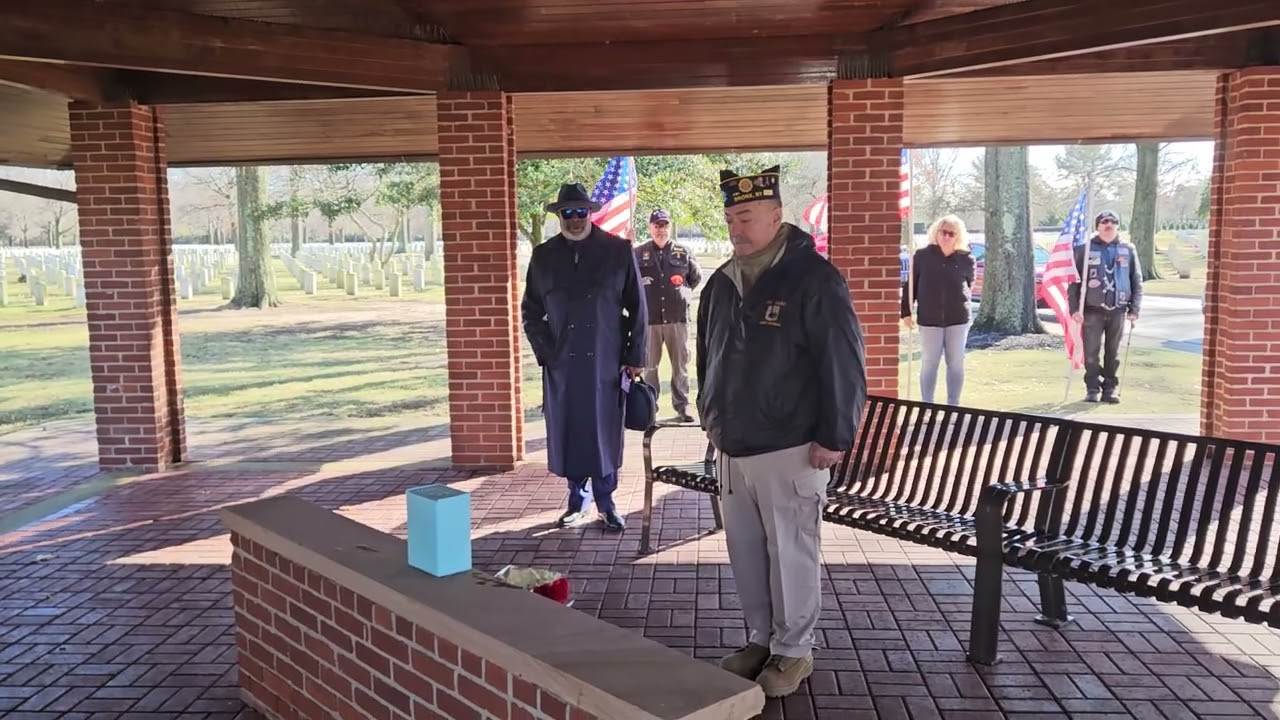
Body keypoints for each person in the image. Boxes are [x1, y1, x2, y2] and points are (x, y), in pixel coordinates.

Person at [696, 165, 866, 698]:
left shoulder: (813, 279)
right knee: (747, 552)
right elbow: (707, 357)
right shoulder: (722, 283)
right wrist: (709, 414)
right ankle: (760, 640)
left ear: (776, 216)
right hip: (733, 445)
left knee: (791, 552)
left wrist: (835, 435)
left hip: (791, 444)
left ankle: (794, 651)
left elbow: (843, 362)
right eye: (730, 218)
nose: (736, 228)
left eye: (746, 216)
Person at [521, 183, 648, 533]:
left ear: (590, 213)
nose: (575, 219)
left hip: (606, 361)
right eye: (568, 213)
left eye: (581, 212)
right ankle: (577, 500)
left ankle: (607, 502)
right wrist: (547, 352)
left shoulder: (617, 251)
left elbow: (638, 308)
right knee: (570, 431)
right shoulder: (543, 256)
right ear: (559, 216)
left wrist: (634, 355)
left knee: (604, 433)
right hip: (562, 364)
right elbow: (531, 311)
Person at [1068, 210, 1143, 404]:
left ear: (1117, 225)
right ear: (1098, 226)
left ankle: (1109, 389)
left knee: (1113, 354)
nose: (1108, 224)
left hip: (1118, 311)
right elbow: (1074, 282)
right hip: (1092, 312)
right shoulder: (1084, 250)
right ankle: (1092, 388)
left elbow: (1136, 281)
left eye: (1112, 221)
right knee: (1091, 354)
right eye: (1104, 221)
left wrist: (1135, 309)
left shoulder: (1128, 249)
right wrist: (1074, 309)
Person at [900, 215, 976, 405]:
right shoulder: (922, 256)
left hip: (958, 320)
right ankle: (927, 404)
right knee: (929, 362)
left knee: (955, 363)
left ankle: (953, 405)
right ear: (937, 232)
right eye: (944, 232)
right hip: (929, 319)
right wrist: (906, 312)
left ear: (958, 236)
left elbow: (969, 286)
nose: (947, 236)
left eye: (951, 233)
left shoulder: (966, 259)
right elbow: (911, 286)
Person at [635, 208, 702, 423]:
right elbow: (631, 282)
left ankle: (683, 406)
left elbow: (695, 278)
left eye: (664, 225)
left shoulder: (684, 252)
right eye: (656, 225)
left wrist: (680, 295)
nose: (660, 230)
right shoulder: (638, 253)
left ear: (670, 227)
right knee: (649, 367)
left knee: (680, 366)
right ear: (650, 227)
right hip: (650, 320)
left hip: (677, 319)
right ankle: (650, 407)